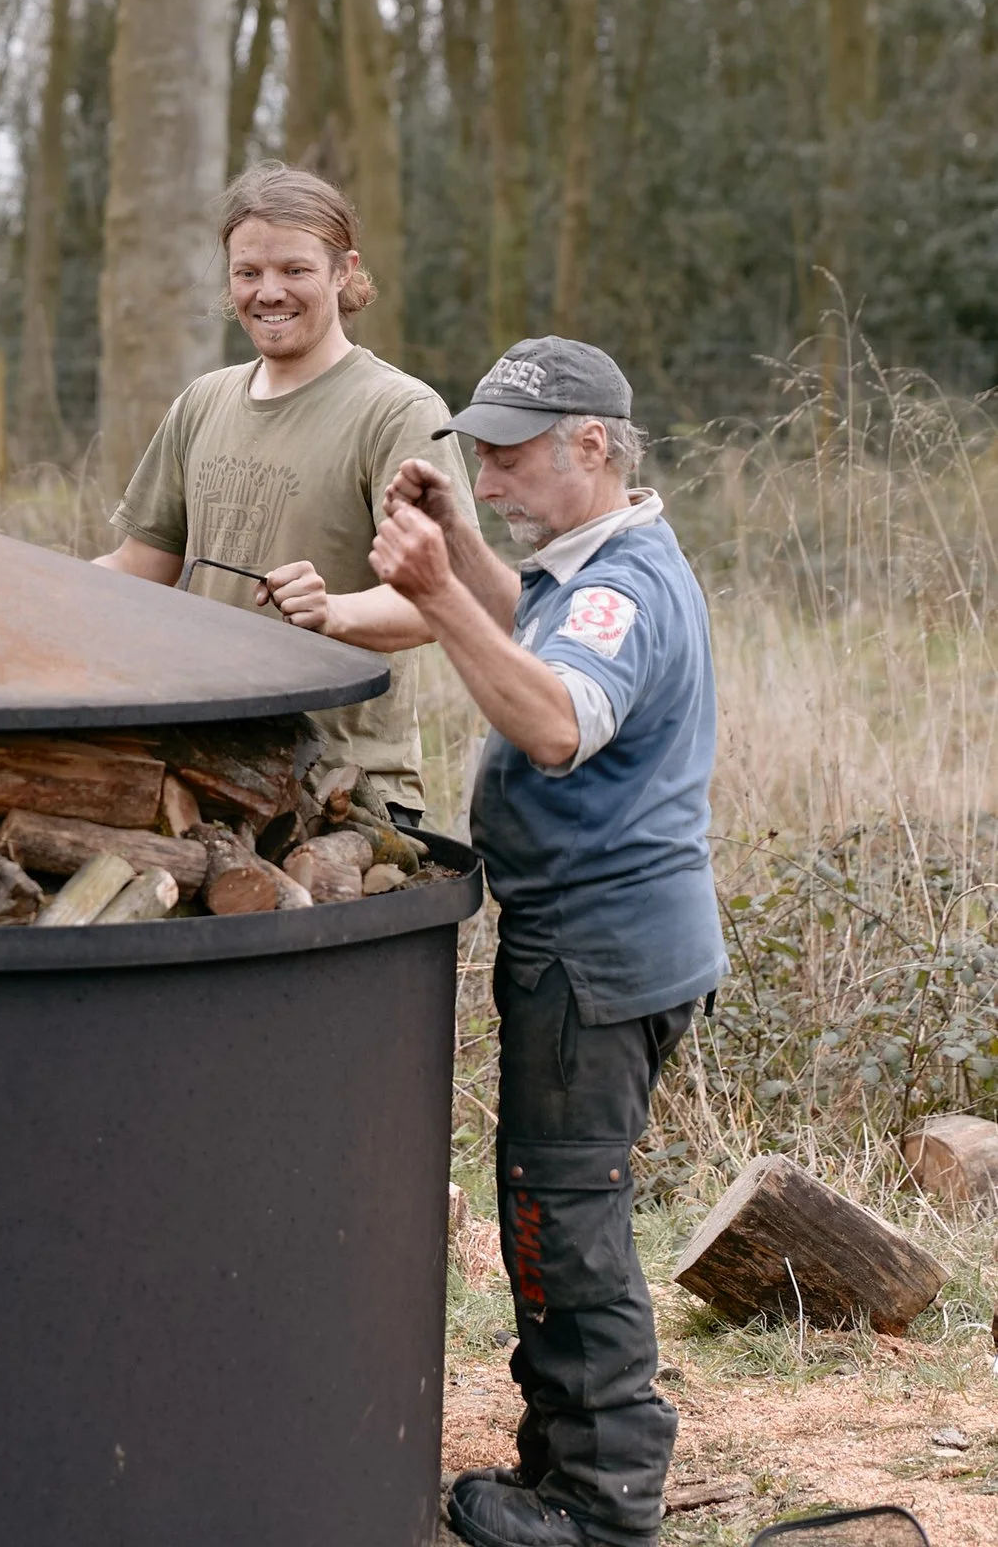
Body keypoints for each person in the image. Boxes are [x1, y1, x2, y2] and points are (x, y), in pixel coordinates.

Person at [369, 337, 725, 1547]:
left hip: (595, 948)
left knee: (560, 1210)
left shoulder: (623, 587)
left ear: (593, 442)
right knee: (564, 1199)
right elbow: (541, 626)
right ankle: (569, 1459)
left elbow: (561, 716)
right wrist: (464, 551)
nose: (491, 470)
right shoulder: (601, 561)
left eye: (511, 452)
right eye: (478, 448)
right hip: (609, 939)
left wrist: (427, 596)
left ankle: (599, 1501)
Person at [94, 163, 470, 819]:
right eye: (249, 273)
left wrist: (336, 612)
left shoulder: (399, 412)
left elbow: (443, 603)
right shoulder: (203, 403)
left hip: (344, 795)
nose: (269, 293)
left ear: (342, 271)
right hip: (203, 773)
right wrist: (25, 595)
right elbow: (138, 569)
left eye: (294, 270)